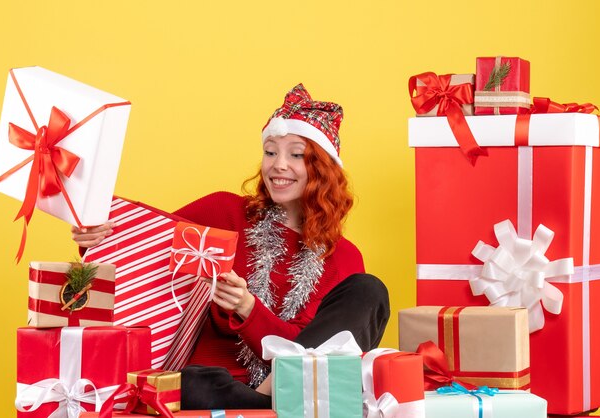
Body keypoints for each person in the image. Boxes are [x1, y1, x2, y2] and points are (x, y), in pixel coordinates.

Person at [72, 84, 390, 409]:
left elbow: (318, 348)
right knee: (192, 383)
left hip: (299, 385)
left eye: (296, 154)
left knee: (369, 290)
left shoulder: (344, 257)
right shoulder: (224, 211)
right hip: (220, 386)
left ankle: (270, 394)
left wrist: (248, 309)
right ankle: (271, 403)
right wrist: (96, 235)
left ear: (323, 170)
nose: (278, 165)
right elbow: (143, 244)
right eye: (270, 152)